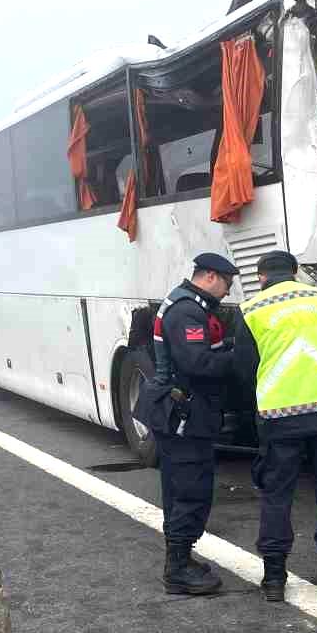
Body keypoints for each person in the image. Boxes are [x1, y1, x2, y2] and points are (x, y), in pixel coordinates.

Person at [236, 250, 317, 603]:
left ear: (261, 277)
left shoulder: (253, 310)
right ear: (295, 273)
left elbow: (244, 368)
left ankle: (274, 579)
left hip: (280, 416)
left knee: (277, 495)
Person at [136, 252, 239, 595]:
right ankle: (177, 568)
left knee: (180, 487)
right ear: (210, 276)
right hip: (183, 415)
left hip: (181, 411)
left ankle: (180, 559)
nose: (228, 291)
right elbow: (197, 363)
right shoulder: (187, 311)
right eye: (227, 282)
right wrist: (236, 357)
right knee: (190, 490)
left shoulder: (187, 304)